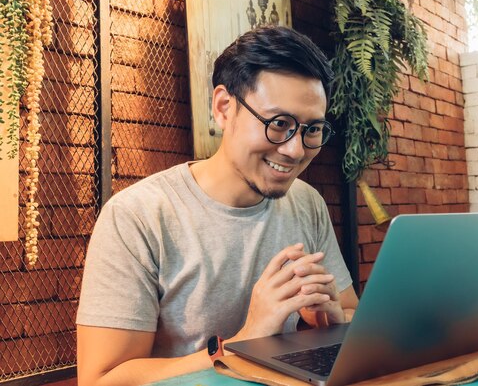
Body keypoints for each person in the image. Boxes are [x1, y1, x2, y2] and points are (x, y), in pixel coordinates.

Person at [76, 26, 359, 386]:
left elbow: (350, 311)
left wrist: (331, 323)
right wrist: (241, 344)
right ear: (224, 108)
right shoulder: (139, 216)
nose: (296, 150)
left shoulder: (306, 203)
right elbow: (101, 380)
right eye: (280, 123)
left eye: (312, 129)